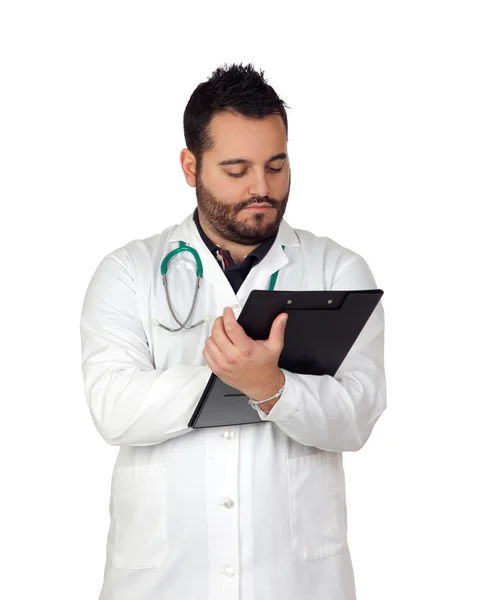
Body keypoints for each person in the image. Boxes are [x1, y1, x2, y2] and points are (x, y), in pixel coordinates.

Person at [79, 61, 387, 600]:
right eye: (237, 169)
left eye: (276, 165)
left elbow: (357, 416)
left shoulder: (338, 271)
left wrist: (274, 388)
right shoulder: (128, 271)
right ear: (190, 166)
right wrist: (238, 375)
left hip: (295, 581)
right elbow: (112, 408)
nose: (261, 189)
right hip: (164, 580)